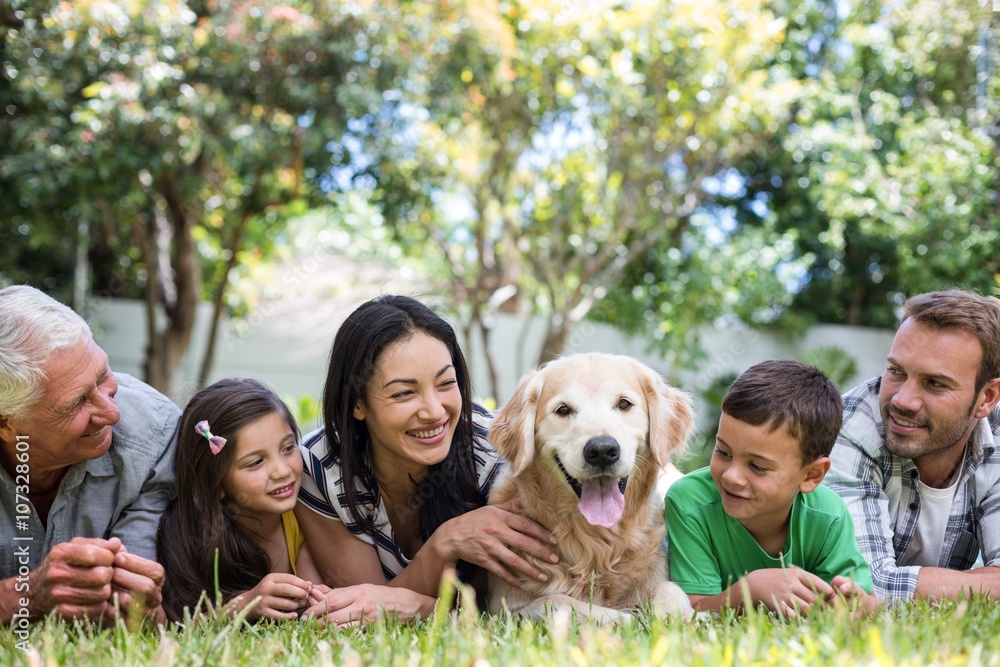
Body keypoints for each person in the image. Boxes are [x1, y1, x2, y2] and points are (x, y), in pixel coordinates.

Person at [297, 295, 558, 601]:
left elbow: (502, 604)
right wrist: (443, 544)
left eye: (446, 383)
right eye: (404, 393)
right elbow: (364, 604)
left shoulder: (495, 453)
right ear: (357, 402)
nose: (434, 411)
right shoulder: (322, 466)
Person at [157, 378, 432, 624]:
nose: (282, 470)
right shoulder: (188, 535)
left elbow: (312, 600)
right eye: (255, 462)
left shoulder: (306, 517)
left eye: (288, 448)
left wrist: (318, 598)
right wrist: (245, 604)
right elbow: (175, 622)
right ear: (216, 484)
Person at [0, 285, 178, 625]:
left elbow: (139, 609)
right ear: (6, 424)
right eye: (76, 403)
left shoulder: (157, 434)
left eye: (102, 375)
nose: (112, 413)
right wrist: (24, 596)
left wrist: (139, 607)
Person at [824, 289, 1000, 603]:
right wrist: (986, 585)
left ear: (986, 398)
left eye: (935, 383)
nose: (902, 400)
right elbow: (863, 585)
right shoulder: (848, 427)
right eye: (896, 371)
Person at [665, 360, 877, 615]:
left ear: (811, 475)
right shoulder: (688, 503)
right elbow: (692, 610)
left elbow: (868, 603)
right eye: (723, 452)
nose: (732, 477)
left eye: (757, 466)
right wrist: (750, 589)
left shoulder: (828, 516)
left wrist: (855, 603)